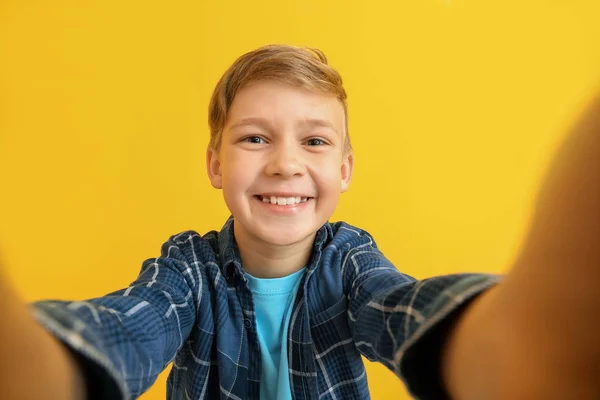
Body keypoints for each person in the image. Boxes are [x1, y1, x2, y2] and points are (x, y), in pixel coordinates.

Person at [0, 44, 598, 400]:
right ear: (215, 163)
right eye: (255, 138)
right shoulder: (186, 266)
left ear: (344, 170)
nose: (285, 164)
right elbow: (136, 320)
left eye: (313, 141)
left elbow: (398, 308)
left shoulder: (350, 260)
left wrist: (501, 350)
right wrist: (46, 365)